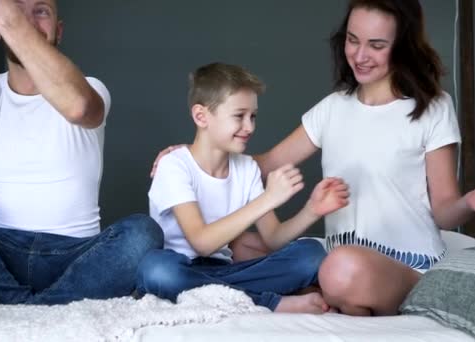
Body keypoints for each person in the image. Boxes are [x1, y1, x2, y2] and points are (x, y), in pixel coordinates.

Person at [151, 0, 475, 316]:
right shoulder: (332, 109)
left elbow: (445, 209)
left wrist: (472, 201)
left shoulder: (433, 108)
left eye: (376, 45)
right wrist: (193, 155)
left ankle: (337, 292)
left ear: (401, 48)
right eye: (353, 41)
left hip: (403, 265)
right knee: (244, 245)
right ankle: (332, 296)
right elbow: (261, 165)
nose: (359, 55)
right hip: (337, 259)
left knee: (338, 267)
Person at [0, 0, 163, 305]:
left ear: (59, 31)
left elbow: (80, 107)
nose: (25, 20)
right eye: (17, 10)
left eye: (40, 11)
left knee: (143, 234)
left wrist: (8, 18)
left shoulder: (90, 88)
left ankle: (15, 307)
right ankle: (39, 308)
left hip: (77, 255)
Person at [136, 62, 349, 313]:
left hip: (226, 270)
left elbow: (273, 238)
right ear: (201, 116)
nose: (250, 127)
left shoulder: (246, 168)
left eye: (253, 116)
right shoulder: (174, 165)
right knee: (156, 270)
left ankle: (229, 294)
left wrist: (312, 210)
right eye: (239, 116)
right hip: (181, 267)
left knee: (311, 254)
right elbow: (202, 243)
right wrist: (268, 199)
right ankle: (270, 301)